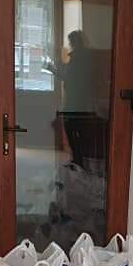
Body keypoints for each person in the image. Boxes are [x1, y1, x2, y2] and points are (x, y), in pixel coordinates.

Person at [47, 30, 97, 168]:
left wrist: (52, 70)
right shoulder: (87, 57)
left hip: (73, 99)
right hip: (83, 99)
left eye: (70, 42)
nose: (69, 45)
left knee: (70, 128)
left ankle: (77, 159)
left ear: (73, 42)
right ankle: (79, 159)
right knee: (79, 129)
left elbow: (68, 77)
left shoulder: (76, 57)